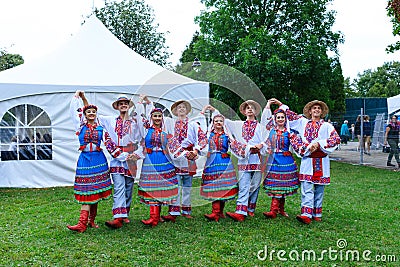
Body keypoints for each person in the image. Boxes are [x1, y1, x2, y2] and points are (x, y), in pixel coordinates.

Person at [80, 92, 143, 229]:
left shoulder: (135, 123)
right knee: (119, 186)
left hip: (131, 157)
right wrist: (84, 99)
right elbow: (90, 113)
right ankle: (117, 217)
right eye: (121, 104)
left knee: (128, 187)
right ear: (117, 107)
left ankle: (125, 213)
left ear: (129, 106)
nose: (123, 105)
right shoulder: (109, 120)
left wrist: (136, 154)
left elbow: (142, 139)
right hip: (117, 157)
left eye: (125, 103)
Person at [274, 99, 340, 224]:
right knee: (307, 187)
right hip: (308, 159)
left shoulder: (327, 126)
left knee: (319, 188)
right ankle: (306, 214)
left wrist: (319, 144)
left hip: (321, 160)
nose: (316, 110)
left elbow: (336, 139)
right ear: (309, 111)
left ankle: (317, 213)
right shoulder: (302, 122)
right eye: (314, 108)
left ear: (322, 112)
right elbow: (289, 115)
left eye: (319, 108)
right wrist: (281, 105)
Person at [210, 100, 265, 221]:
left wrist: (261, 145)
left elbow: (266, 141)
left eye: (252, 108)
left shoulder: (261, 127)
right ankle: (240, 211)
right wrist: (215, 111)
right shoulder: (238, 125)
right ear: (244, 112)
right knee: (244, 185)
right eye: (247, 108)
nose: (250, 109)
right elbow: (224, 121)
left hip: (257, 158)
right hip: (244, 158)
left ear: (256, 111)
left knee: (255, 185)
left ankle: (250, 208)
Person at [67, 91, 113, 233]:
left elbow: (110, 144)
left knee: (95, 190)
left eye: (94, 112)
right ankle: (82, 223)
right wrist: (79, 97)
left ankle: (90, 221)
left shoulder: (101, 128)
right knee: (87, 189)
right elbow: (74, 112)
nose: (91, 113)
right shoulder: (80, 126)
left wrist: (124, 156)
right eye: (89, 112)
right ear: (85, 115)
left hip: (99, 160)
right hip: (85, 159)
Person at [131, 108, 179, 227]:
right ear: (151, 117)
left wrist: (187, 154)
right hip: (150, 160)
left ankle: (156, 217)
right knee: (152, 186)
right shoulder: (146, 130)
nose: (157, 118)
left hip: (164, 160)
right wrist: (136, 155)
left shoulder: (166, 131)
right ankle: (154, 217)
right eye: (155, 116)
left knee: (161, 186)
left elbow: (174, 147)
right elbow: (142, 145)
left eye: (159, 116)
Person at [161, 100, 204, 221]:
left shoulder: (193, 124)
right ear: (175, 111)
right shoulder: (170, 123)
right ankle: (174, 211)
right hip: (175, 156)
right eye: (179, 107)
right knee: (176, 184)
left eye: (184, 107)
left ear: (187, 110)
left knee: (187, 185)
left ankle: (186, 209)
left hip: (189, 157)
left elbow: (202, 138)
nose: (181, 109)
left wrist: (196, 151)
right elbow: (167, 136)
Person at [260, 100, 299, 219]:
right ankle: (274, 210)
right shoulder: (271, 131)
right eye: (278, 117)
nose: (280, 119)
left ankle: (280, 209)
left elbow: (297, 144)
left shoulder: (289, 133)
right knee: (276, 182)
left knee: (283, 183)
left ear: (285, 119)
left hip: (286, 160)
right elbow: (266, 142)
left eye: (282, 117)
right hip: (273, 159)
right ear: (275, 119)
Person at [198, 114, 239, 222]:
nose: (218, 123)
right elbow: (202, 144)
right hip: (212, 160)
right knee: (214, 183)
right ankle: (215, 212)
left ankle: (220, 212)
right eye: (216, 121)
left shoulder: (226, 135)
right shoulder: (209, 134)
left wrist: (230, 137)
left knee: (223, 184)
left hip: (224, 160)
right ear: (213, 122)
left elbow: (234, 146)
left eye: (220, 121)